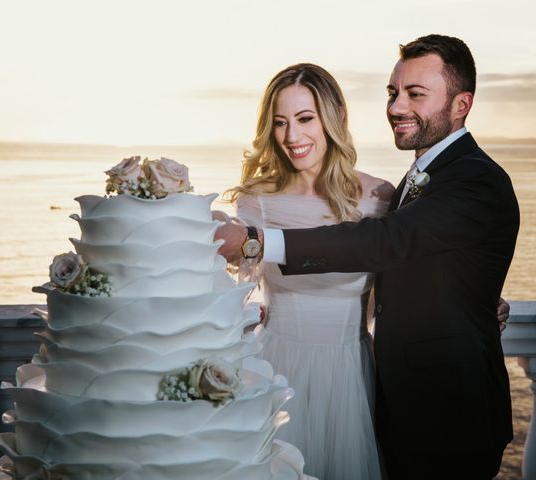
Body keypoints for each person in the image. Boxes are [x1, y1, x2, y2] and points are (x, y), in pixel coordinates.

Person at [216, 35, 519, 480]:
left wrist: (260, 242)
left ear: (461, 104)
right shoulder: (420, 177)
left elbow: (384, 240)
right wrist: (468, 297)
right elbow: (416, 255)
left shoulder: (469, 180)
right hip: (296, 370)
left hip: (432, 402)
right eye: (393, 93)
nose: (396, 107)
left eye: (416, 94)